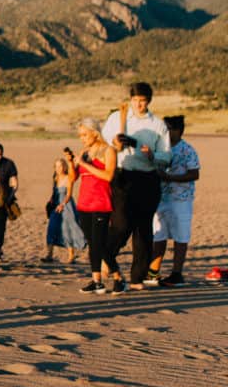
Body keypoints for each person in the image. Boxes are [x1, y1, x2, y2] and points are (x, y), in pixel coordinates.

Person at [101, 82, 171, 290]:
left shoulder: (158, 125)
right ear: (130, 100)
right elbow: (103, 141)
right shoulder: (117, 118)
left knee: (143, 229)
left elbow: (166, 157)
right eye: (135, 100)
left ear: (149, 101)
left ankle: (137, 278)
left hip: (148, 177)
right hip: (123, 176)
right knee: (121, 224)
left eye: (143, 101)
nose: (139, 104)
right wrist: (114, 142)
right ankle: (107, 257)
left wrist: (153, 155)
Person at [72, 118, 123, 293]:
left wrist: (86, 164)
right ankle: (96, 280)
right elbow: (74, 177)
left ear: (95, 133)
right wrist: (73, 164)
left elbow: (108, 176)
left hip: (101, 202)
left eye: (85, 134)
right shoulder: (85, 151)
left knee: (100, 244)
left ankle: (118, 277)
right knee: (92, 244)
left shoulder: (108, 150)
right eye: (80, 135)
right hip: (84, 202)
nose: (82, 138)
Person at [148, 115, 200, 287]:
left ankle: (177, 274)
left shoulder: (187, 150)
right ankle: (153, 272)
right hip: (161, 198)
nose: (165, 131)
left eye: (168, 128)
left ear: (178, 130)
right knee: (158, 235)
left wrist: (170, 177)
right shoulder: (161, 148)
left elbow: (194, 174)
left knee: (180, 237)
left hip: (181, 199)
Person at [42, 158, 86, 264]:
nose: (58, 168)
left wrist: (62, 204)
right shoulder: (55, 178)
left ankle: (71, 256)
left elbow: (69, 194)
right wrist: (50, 202)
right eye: (56, 166)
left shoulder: (68, 178)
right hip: (55, 205)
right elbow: (54, 192)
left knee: (68, 230)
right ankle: (49, 254)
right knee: (51, 228)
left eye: (60, 166)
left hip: (66, 206)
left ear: (65, 167)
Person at [0, 143, 19, 261]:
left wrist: (10, 197)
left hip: (3, 201)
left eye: (0, 154)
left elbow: (15, 183)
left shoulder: (8, 164)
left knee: (0, 228)